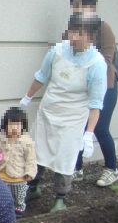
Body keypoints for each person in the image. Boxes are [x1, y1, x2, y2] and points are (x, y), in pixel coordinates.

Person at [20, 12, 107, 212]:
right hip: (48, 112)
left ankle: (60, 197)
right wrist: (27, 98)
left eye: (81, 33)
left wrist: (89, 133)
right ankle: (33, 187)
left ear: (92, 36)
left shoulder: (96, 64)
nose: (74, 37)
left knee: (64, 159)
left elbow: (95, 103)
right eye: (73, 31)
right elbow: (42, 76)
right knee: (36, 152)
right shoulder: (57, 51)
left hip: (72, 119)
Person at [67, 0, 118, 187]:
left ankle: (111, 169)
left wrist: (101, 92)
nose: (77, 10)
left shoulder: (103, 27)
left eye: (80, 5)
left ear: (92, 7)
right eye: (74, 6)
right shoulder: (74, 28)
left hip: (106, 85)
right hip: (84, 86)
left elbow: (107, 61)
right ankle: (77, 168)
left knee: (100, 127)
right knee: (80, 125)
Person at [0, 107, 37, 218]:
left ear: (23, 126)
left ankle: (19, 208)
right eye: (11, 125)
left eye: (18, 125)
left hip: (18, 176)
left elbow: (31, 159)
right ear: (5, 125)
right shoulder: (0, 138)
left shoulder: (26, 141)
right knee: (2, 194)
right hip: (1, 174)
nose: (14, 128)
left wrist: (30, 173)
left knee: (18, 195)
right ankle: (3, 208)